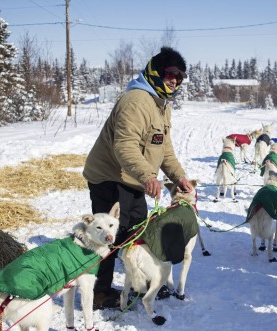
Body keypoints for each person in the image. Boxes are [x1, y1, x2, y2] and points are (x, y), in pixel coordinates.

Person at [83, 46, 194, 309]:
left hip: (132, 179)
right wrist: (147, 176)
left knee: (138, 233)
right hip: (110, 177)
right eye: (170, 74)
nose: (175, 80)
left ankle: (139, 284)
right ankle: (99, 293)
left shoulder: (161, 105)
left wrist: (178, 176)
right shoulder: (136, 101)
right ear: (155, 72)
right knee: (109, 236)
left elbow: (164, 147)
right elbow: (125, 146)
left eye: (180, 77)